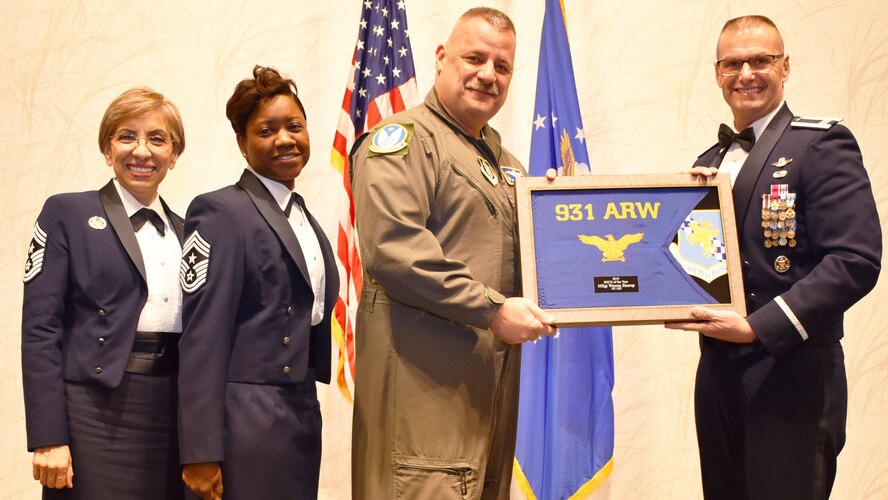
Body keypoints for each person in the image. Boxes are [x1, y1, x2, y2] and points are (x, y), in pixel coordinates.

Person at [666, 15, 882, 499]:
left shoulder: (820, 143)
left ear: (785, 66)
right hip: (718, 370)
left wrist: (761, 327)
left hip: (792, 368)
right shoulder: (710, 162)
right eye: (733, 63)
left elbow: (855, 259)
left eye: (760, 60)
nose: (746, 74)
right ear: (717, 73)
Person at [350, 7, 557, 500]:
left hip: (487, 401)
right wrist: (491, 309)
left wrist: (557, 215)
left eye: (502, 66)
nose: (488, 75)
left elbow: (534, 267)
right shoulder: (402, 142)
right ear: (442, 58)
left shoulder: (508, 166)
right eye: (475, 58)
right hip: (426, 403)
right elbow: (394, 250)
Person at [177, 65, 338, 500]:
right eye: (266, 130)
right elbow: (201, 337)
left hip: (299, 413)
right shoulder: (221, 212)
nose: (285, 139)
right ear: (243, 144)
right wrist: (200, 451)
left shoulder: (303, 215)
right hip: (244, 422)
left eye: (295, 126)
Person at [21, 87, 187, 499]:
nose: (142, 151)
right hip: (94, 415)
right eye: (127, 136)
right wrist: (49, 436)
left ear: (174, 154)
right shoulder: (67, 214)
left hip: (174, 413)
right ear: (107, 148)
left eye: (157, 139)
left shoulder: (191, 232)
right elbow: (40, 330)